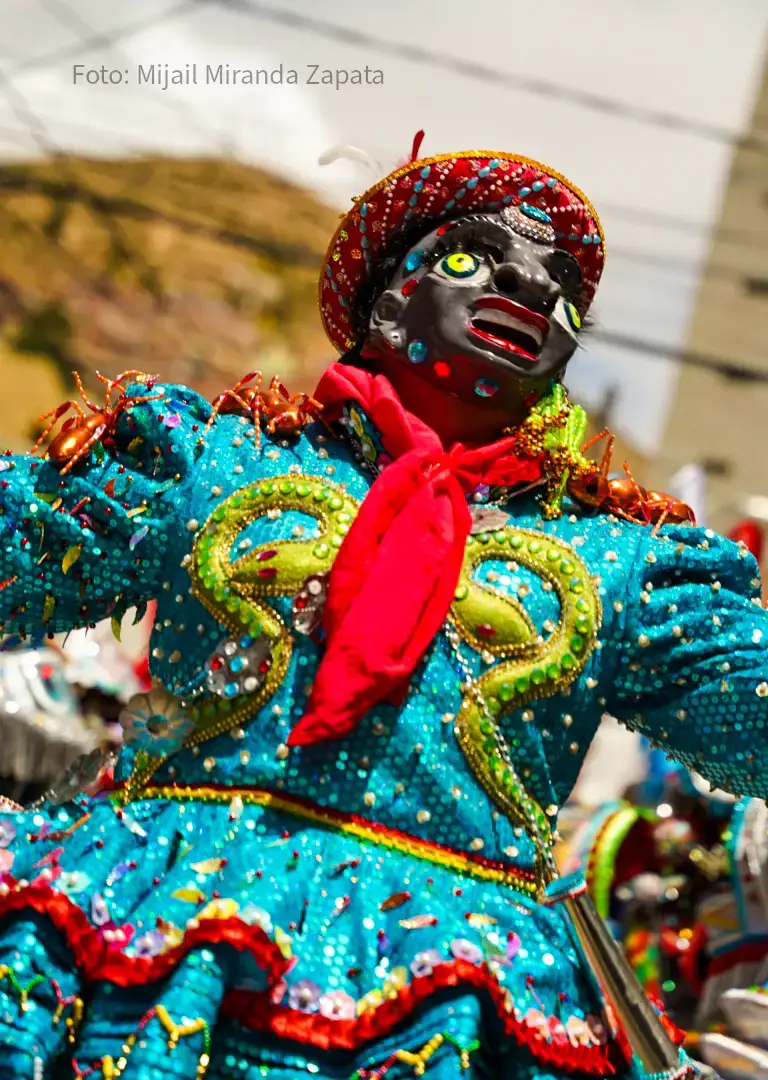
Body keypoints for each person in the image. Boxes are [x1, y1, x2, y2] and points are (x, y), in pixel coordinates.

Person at [0, 139, 765, 1080]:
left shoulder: (626, 564)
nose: (526, 285)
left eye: (559, 286)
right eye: (470, 256)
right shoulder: (214, 458)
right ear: (388, 299)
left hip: (457, 1001)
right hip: (168, 937)